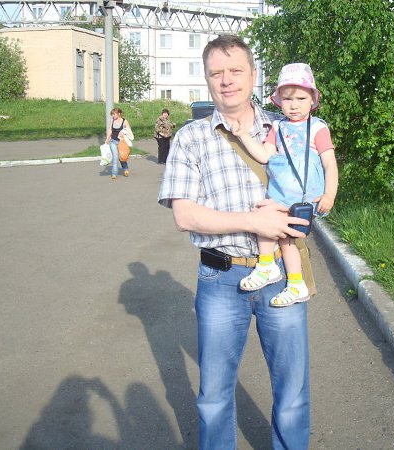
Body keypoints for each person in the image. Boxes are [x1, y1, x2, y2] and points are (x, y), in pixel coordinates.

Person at [158, 35, 311, 449]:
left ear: (253, 75)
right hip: (220, 278)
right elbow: (184, 216)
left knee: (293, 394)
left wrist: (306, 209)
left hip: (281, 277)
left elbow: (313, 188)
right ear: (207, 79)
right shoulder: (190, 137)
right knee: (213, 397)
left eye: (236, 70)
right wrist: (252, 220)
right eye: (216, 73)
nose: (226, 80)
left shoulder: (286, 130)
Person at [232, 63, 338, 307]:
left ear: (312, 99)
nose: (294, 105)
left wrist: (329, 194)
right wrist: (243, 135)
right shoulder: (277, 127)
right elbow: (264, 155)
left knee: (285, 236)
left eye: (301, 98)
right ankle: (285, 276)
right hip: (280, 193)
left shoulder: (318, 128)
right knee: (272, 226)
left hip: (304, 196)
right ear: (279, 101)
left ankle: (276, 272)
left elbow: (329, 163)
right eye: (288, 99)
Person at [105, 108, 133, 180]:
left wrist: (123, 132)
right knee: (115, 157)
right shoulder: (112, 120)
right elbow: (110, 130)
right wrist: (107, 139)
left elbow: (129, 131)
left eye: (114, 114)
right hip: (113, 141)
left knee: (122, 157)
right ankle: (114, 173)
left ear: (119, 114)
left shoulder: (124, 121)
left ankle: (125, 169)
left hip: (122, 142)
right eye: (112, 114)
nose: (113, 116)